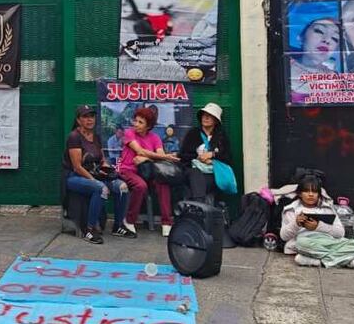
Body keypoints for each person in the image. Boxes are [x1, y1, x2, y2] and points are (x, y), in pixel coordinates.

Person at [62, 105, 130, 244]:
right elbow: (77, 166)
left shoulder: (96, 136)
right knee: (101, 188)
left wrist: (107, 168)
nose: (89, 120)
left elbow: (102, 158)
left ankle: (117, 226)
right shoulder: (74, 137)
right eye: (85, 117)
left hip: (96, 174)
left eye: (91, 116)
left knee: (122, 187)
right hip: (74, 177)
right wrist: (94, 180)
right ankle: (89, 229)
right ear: (78, 120)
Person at [279, 174, 354, 268]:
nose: (310, 194)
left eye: (314, 191)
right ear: (300, 194)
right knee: (300, 243)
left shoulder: (327, 209)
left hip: (329, 242)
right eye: (306, 191)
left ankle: (317, 261)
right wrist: (296, 223)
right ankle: (344, 259)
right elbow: (283, 236)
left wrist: (318, 226)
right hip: (308, 243)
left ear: (319, 194)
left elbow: (340, 233)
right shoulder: (291, 210)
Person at [116, 106, 177, 237]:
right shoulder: (129, 133)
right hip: (128, 170)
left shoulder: (155, 138)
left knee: (163, 183)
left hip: (148, 171)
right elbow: (140, 151)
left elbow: (157, 155)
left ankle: (166, 223)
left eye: (140, 122)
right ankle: (129, 220)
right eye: (136, 121)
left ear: (148, 126)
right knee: (140, 186)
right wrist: (165, 156)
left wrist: (145, 159)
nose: (136, 124)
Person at [179, 103, 233, 203]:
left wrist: (212, 156)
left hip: (213, 173)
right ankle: (199, 205)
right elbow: (183, 155)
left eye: (210, 116)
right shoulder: (193, 133)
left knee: (201, 182)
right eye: (204, 115)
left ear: (216, 120)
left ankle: (198, 207)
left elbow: (228, 158)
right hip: (192, 170)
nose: (206, 118)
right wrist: (198, 157)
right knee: (196, 176)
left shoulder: (221, 137)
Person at [288, 18, 341, 104]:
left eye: (335, 38)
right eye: (319, 31)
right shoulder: (282, 66)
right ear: (301, 37)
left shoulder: (336, 81)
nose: (327, 40)